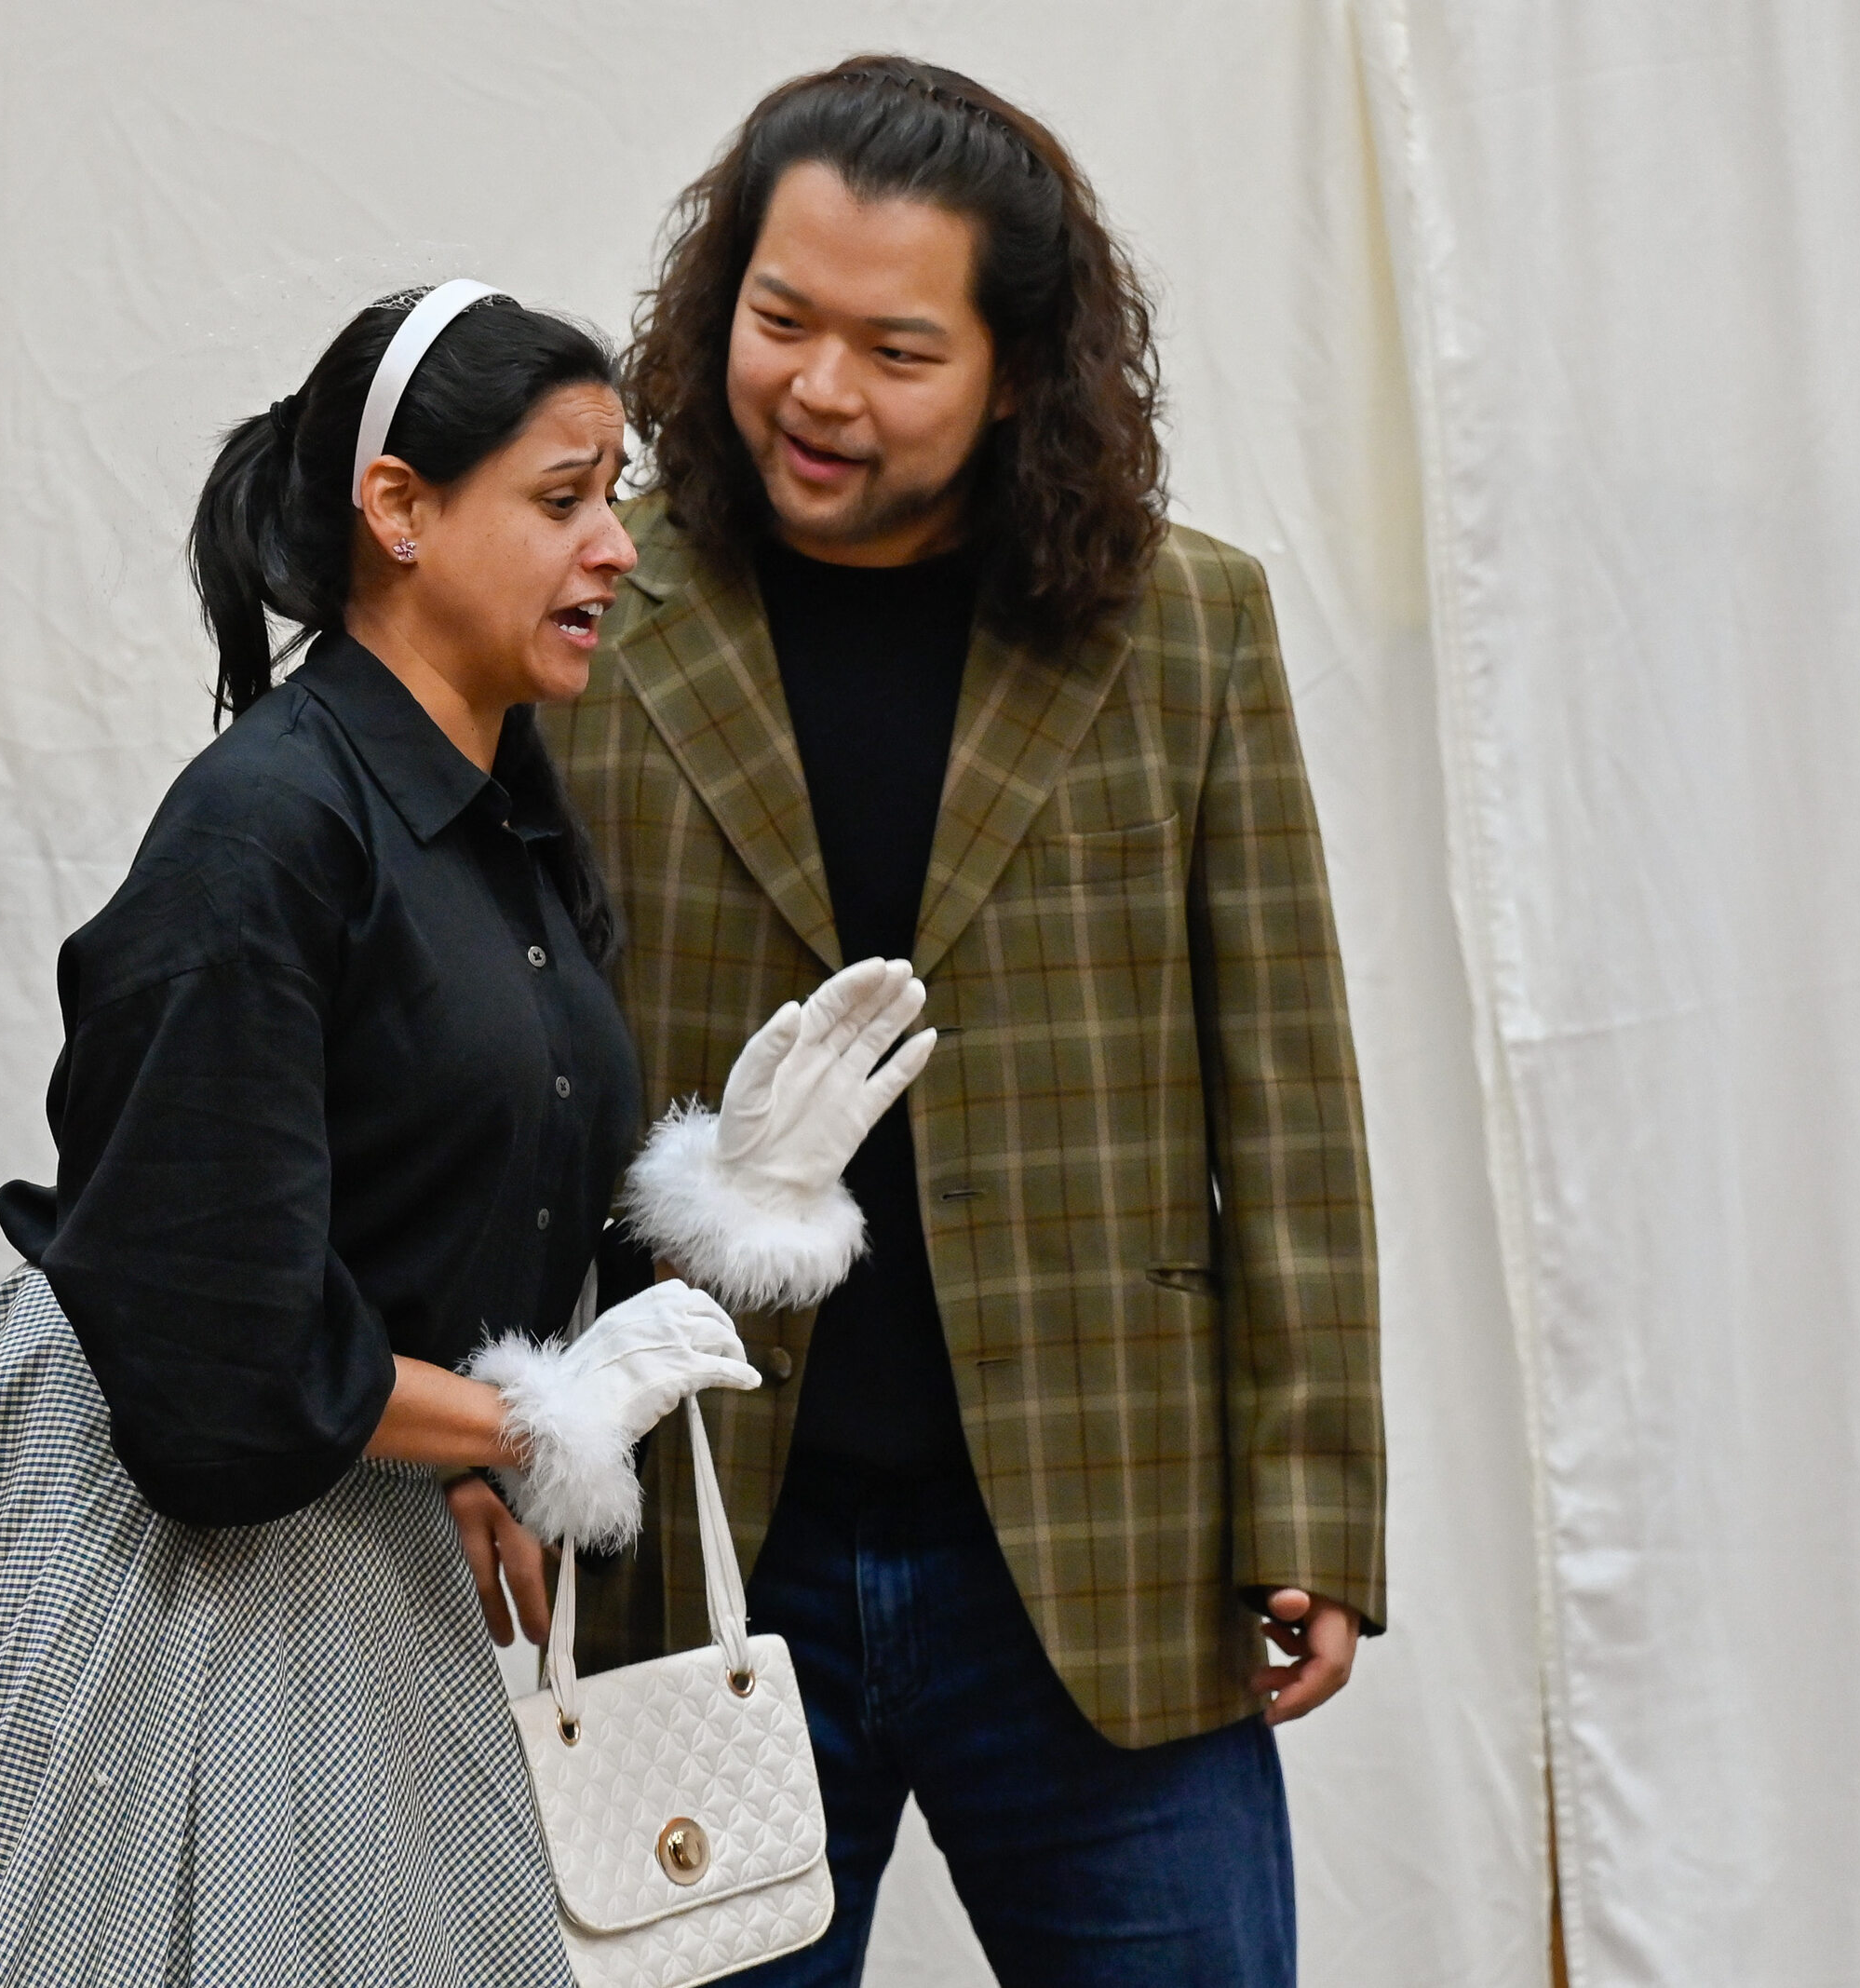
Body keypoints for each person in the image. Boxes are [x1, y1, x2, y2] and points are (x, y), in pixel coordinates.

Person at [0, 282, 933, 1987]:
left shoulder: (516, 832)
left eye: (614, 494)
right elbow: (217, 1355)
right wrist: (526, 1423)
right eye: (561, 498)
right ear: (396, 509)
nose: (616, 548)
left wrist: (723, 1206)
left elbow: (447, 1221)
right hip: (154, 1584)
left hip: (362, 1564)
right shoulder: (264, 826)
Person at [549, 58, 1384, 1986]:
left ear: (1016, 369)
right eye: (778, 319)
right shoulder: (593, 610)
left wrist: (1313, 1495)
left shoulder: (1185, 633)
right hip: (703, 1560)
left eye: (893, 348)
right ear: (712, 304)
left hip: (1107, 1543)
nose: (817, 388)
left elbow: (1290, 1105)